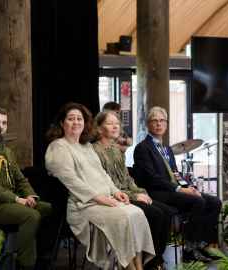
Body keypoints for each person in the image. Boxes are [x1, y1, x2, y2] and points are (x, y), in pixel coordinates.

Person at [45, 102, 155, 270]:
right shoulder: (58, 147)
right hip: (83, 205)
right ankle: (129, 268)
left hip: (105, 199)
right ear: (62, 123)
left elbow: (103, 175)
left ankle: (138, 267)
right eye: (71, 119)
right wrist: (99, 198)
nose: (76, 122)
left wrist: (116, 192)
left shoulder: (86, 146)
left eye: (79, 119)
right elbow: (72, 181)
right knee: (123, 218)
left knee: (137, 213)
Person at [133, 106, 222, 262]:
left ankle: (202, 244)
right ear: (148, 124)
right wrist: (179, 189)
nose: (158, 124)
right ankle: (189, 249)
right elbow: (152, 178)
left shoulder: (166, 148)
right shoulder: (142, 148)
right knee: (197, 201)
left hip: (173, 190)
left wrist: (187, 186)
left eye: (162, 121)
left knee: (214, 202)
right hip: (156, 192)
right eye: (154, 121)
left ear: (166, 124)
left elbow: (175, 173)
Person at [93, 110, 174, 270]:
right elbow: (105, 184)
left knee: (166, 212)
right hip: (114, 198)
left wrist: (140, 192)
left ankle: (156, 259)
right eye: (110, 123)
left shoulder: (116, 150)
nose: (115, 127)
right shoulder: (95, 151)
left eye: (117, 123)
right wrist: (134, 195)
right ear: (100, 128)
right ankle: (150, 262)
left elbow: (127, 179)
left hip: (128, 194)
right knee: (156, 214)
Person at [0, 107, 52, 270]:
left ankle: (40, 256)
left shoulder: (7, 151)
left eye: (4, 123)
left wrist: (31, 196)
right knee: (31, 216)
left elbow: (20, 179)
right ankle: (24, 264)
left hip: (13, 202)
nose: (1, 127)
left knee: (46, 208)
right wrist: (17, 199)